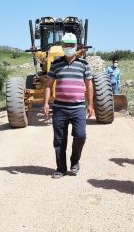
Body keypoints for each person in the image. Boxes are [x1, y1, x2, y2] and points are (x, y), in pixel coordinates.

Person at [43, 33, 94, 179]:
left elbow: (89, 84)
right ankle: (61, 168)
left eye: (72, 45)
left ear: (76, 46)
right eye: (66, 45)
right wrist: (46, 103)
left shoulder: (83, 64)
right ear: (62, 46)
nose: (69, 47)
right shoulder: (55, 64)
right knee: (59, 140)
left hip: (78, 108)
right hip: (59, 108)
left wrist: (90, 104)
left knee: (80, 135)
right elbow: (49, 85)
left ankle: (75, 161)